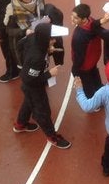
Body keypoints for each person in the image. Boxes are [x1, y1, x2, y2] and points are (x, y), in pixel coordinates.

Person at [13, 20, 72, 149]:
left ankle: (20, 124)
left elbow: (19, 45)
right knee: (42, 112)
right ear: (45, 39)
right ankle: (52, 137)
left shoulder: (33, 37)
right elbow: (30, 80)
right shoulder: (37, 58)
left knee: (28, 102)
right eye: (51, 39)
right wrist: (49, 74)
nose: (54, 42)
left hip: (29, 83)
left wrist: (47, 50)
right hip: (33, 86)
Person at [70, 4, 103, 99]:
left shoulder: (79, 36)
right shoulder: (92, 21)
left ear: (84, 19)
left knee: (87, 83)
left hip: (84, 65)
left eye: (75, 18)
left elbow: (79, 56)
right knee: (94, 74)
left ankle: (93, 100)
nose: (72, 18)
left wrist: (75, 69)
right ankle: (99, 89)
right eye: (72, 15)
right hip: (94, 58)